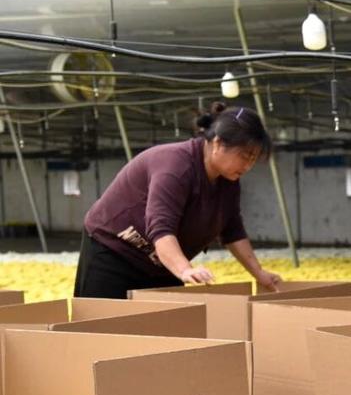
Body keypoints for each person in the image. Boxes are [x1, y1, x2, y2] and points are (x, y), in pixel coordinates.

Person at [74, 102, 283, 299]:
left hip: (160, 262)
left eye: (253, 159)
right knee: (104, 319)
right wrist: (184, 269)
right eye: (245, 156)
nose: (248, 166)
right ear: (218, 143)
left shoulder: (228, 181)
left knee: (167, 321)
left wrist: (259, 273)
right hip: (114, 250)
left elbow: (232, 230)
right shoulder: (176, 167)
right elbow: (161, 228)